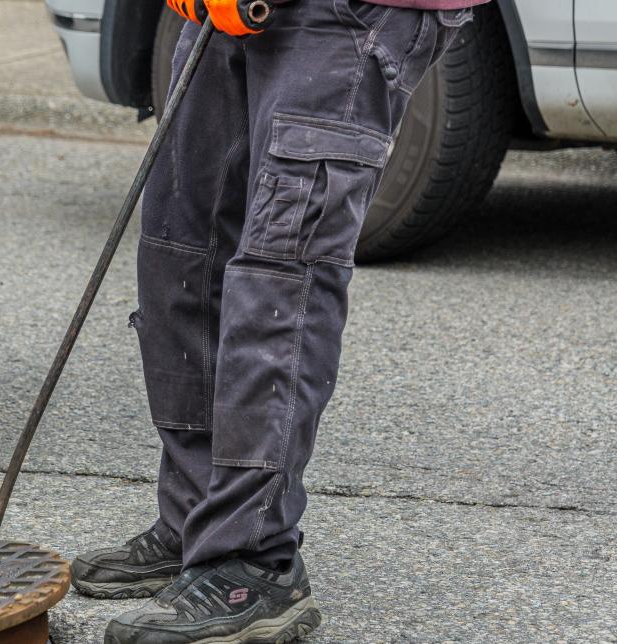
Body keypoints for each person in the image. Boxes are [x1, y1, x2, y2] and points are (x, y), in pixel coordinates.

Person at [70, 0, 487, 642]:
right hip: (220, 13)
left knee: (281, 276)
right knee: (183, 250)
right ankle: (196, 520)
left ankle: (253, 560)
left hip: (349, 17)